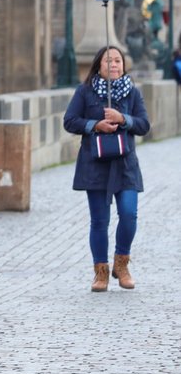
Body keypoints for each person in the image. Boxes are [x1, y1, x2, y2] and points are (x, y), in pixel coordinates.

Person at [63, 46, 150, 292]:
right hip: (95, 163)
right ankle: (100, 273)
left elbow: (144, 125)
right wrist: (95, 125)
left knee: (129, 214)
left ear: (123, 65)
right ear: (98, 65)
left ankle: (121, 265)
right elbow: (70, 120)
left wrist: (124, 119)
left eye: (118, 60)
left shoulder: (132, 92)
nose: (114, 64)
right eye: (108, 60)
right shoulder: (85, 91)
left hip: (125, 164)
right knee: (100, 220)